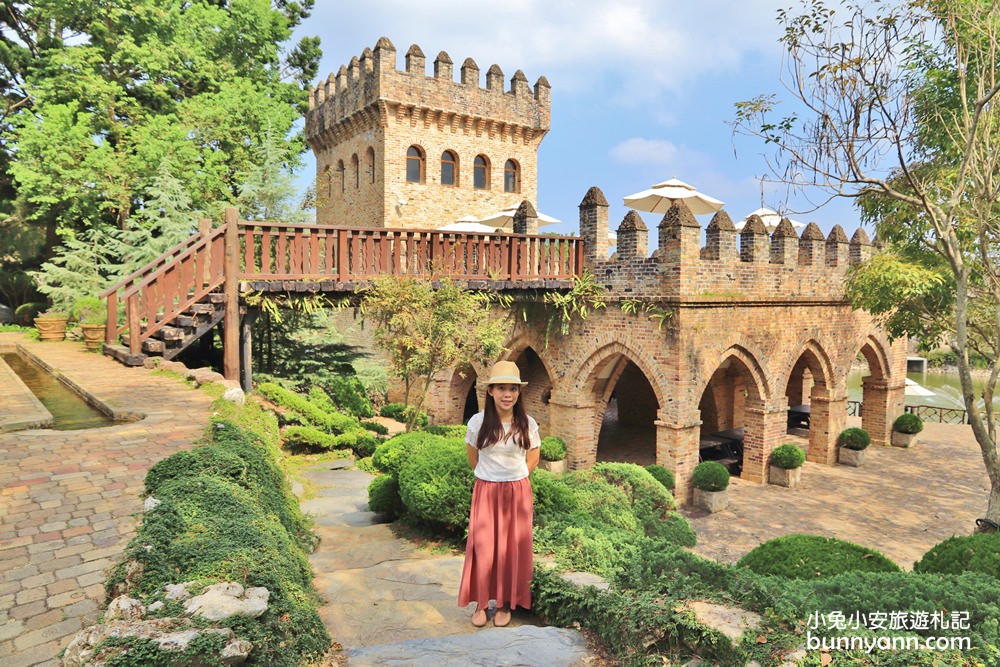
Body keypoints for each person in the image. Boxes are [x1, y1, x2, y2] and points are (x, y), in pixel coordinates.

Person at [458, 360, 541, 627]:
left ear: (519, 393)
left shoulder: (527, 423)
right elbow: (474, 458)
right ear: (490, 391)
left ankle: (506, 604)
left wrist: (514, 479)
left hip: (517, 493)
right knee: (484, 546)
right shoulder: (478, 422)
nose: (508, 395)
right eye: (502, 388)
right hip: (486, 490)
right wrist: (492, 478)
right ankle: (483, 603)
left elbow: (533, 459)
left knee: (512, 549)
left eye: (513, 389)